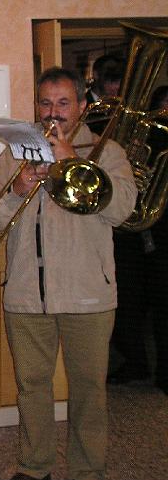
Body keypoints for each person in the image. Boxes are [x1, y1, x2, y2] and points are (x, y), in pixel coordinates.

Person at [0, 67, 136, 480]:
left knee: (89, 387)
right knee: (31, 385)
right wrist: (18, 188)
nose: (54, 114)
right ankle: (34, 465)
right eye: (46, 104)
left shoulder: (107, 152)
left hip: (89, 294)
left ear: (81, 107)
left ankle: (88, 472)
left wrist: (72, 162)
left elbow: (123, 209)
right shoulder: (15, 154)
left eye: (63, 104)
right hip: (27, 294)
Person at [107, 84, 168, 394]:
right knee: (128, 305)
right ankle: (135, 362)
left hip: (163, 237)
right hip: (130, 237)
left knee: (164, 306)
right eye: (162, 112)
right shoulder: (136, 140)